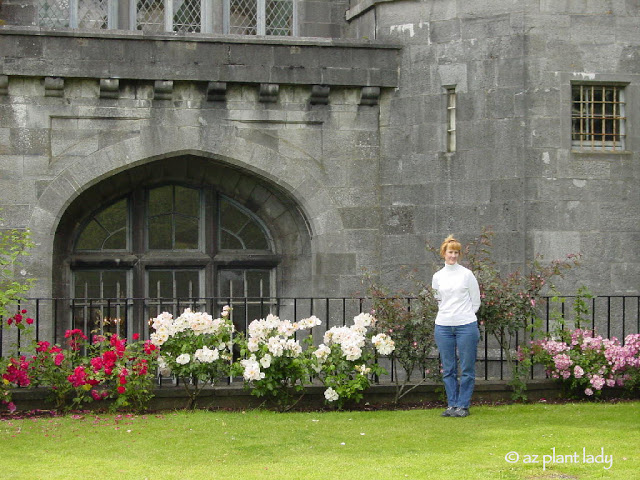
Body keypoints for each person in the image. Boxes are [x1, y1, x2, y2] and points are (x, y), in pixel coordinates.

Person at [431, 235, 481, 417]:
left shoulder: (467, 275)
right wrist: (449, 315)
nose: (453, 255)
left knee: (467, 367)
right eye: (450, 252)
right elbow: (438, 300)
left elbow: (476, 301)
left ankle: (463, 405)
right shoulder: (437, 277)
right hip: (443, 326)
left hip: (466, 326)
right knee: (448, 367)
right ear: (444, 253)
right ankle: (452, 404)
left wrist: (464, 316)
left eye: (456, 252)